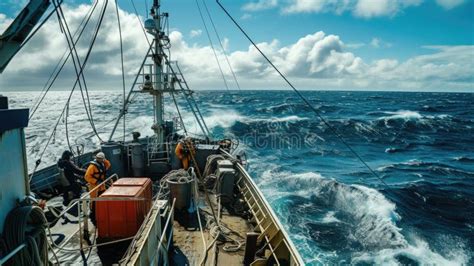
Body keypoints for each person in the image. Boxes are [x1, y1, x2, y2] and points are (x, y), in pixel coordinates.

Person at [84, 152, 111, 225]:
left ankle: (101, 210)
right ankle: (93, 214)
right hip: (94, 186)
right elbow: (87, 177)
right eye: (98, 158)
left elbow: (108, 165)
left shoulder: (103, 164)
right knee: (93, 200)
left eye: (101, 158)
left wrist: (104, 160)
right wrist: (95, 181)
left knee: (102, 197)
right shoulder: (92, 166)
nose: (99, 159)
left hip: (102, 185)